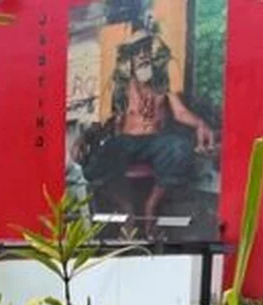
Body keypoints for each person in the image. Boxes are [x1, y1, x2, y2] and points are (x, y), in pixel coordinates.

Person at [83, 30, 216, 221]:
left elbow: (181, 113)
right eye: (137, 52)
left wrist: (201, 124)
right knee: (98, 161)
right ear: (130, 59)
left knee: (179, 148)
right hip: (127, 141)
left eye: (145, 50)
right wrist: (85, 136)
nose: (143, 55)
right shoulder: (120, 88)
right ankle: (127, 208)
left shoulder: (163, 86)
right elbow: (105, 119)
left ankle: (150, 206)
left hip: (156, 141)